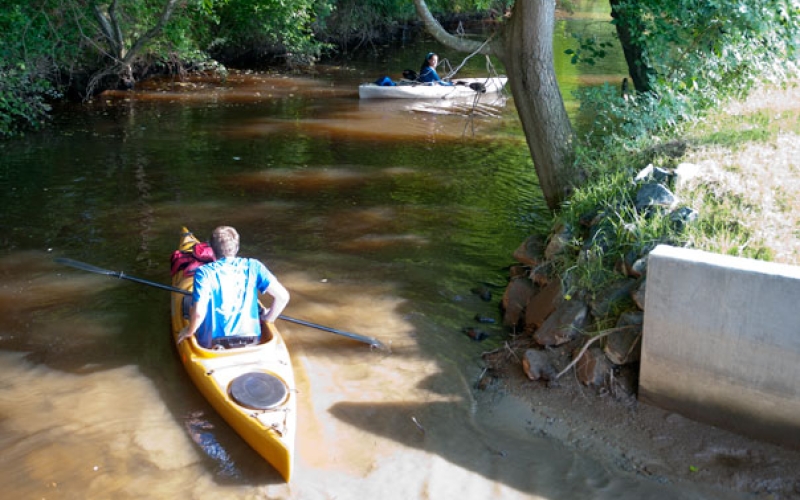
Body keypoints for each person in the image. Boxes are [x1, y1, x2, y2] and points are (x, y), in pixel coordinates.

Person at [177, 226, 290, 349]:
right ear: (237, 247)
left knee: (191, 307)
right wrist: (268, 319)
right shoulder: (254, 266)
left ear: (212, 250)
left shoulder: (204, 272)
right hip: (252, 340)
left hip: (214, 344)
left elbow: (198, 313)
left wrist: (189, 331)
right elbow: (283, 297)